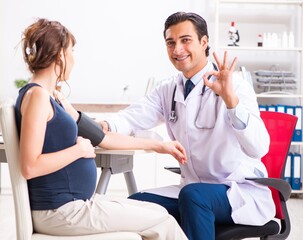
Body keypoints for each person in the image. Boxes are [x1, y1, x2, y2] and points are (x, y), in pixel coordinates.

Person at [101, 12, 276, 240]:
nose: (177, 50)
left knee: (194, 196)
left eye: (185, 40)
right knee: (137, 205)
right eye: (170, 42)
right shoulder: (169, 89)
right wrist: (105, 124)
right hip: (192, 190)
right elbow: (133, 117)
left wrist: (231, 102)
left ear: (204, 42)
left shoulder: (236, 88)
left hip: (237, 191)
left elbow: (259, 148)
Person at [15, 18, 189, 240]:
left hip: (74, 206)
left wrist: (158, 146)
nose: (73, 59)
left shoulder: (54, 97)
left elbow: (102, 137)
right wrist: (78, 151)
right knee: (164, 222)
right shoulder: (38, 96)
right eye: (72, 51)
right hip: (62, 212)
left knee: (158, 213)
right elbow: (29, 166)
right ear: (60, 55)